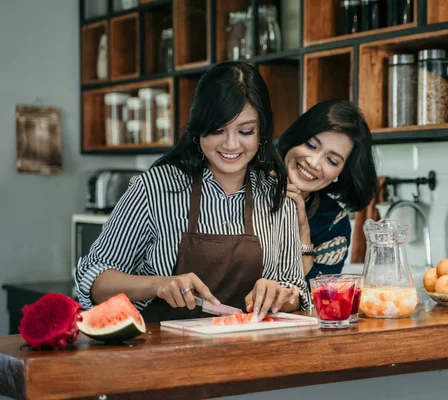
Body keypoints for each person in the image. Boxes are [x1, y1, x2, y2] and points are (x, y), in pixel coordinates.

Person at [76, 62, 309, 323]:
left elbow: (295, 291)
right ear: (199, 129)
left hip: (247, 357)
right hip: (164, 356)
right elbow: (92, 277)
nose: (231, 144)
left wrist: (280, 294)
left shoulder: (277, 197)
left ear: (261, 133)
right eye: (217, 129)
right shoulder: (155, 189)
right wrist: (158, 285)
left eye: (245, 131)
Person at [276, 99, 378, 285]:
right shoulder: (243, 183)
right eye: (310, 145)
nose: (313, 163)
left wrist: (303, 232)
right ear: (295, 139)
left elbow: (321, 300)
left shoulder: (333, 224)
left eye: (331, 161)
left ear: (341, 173)